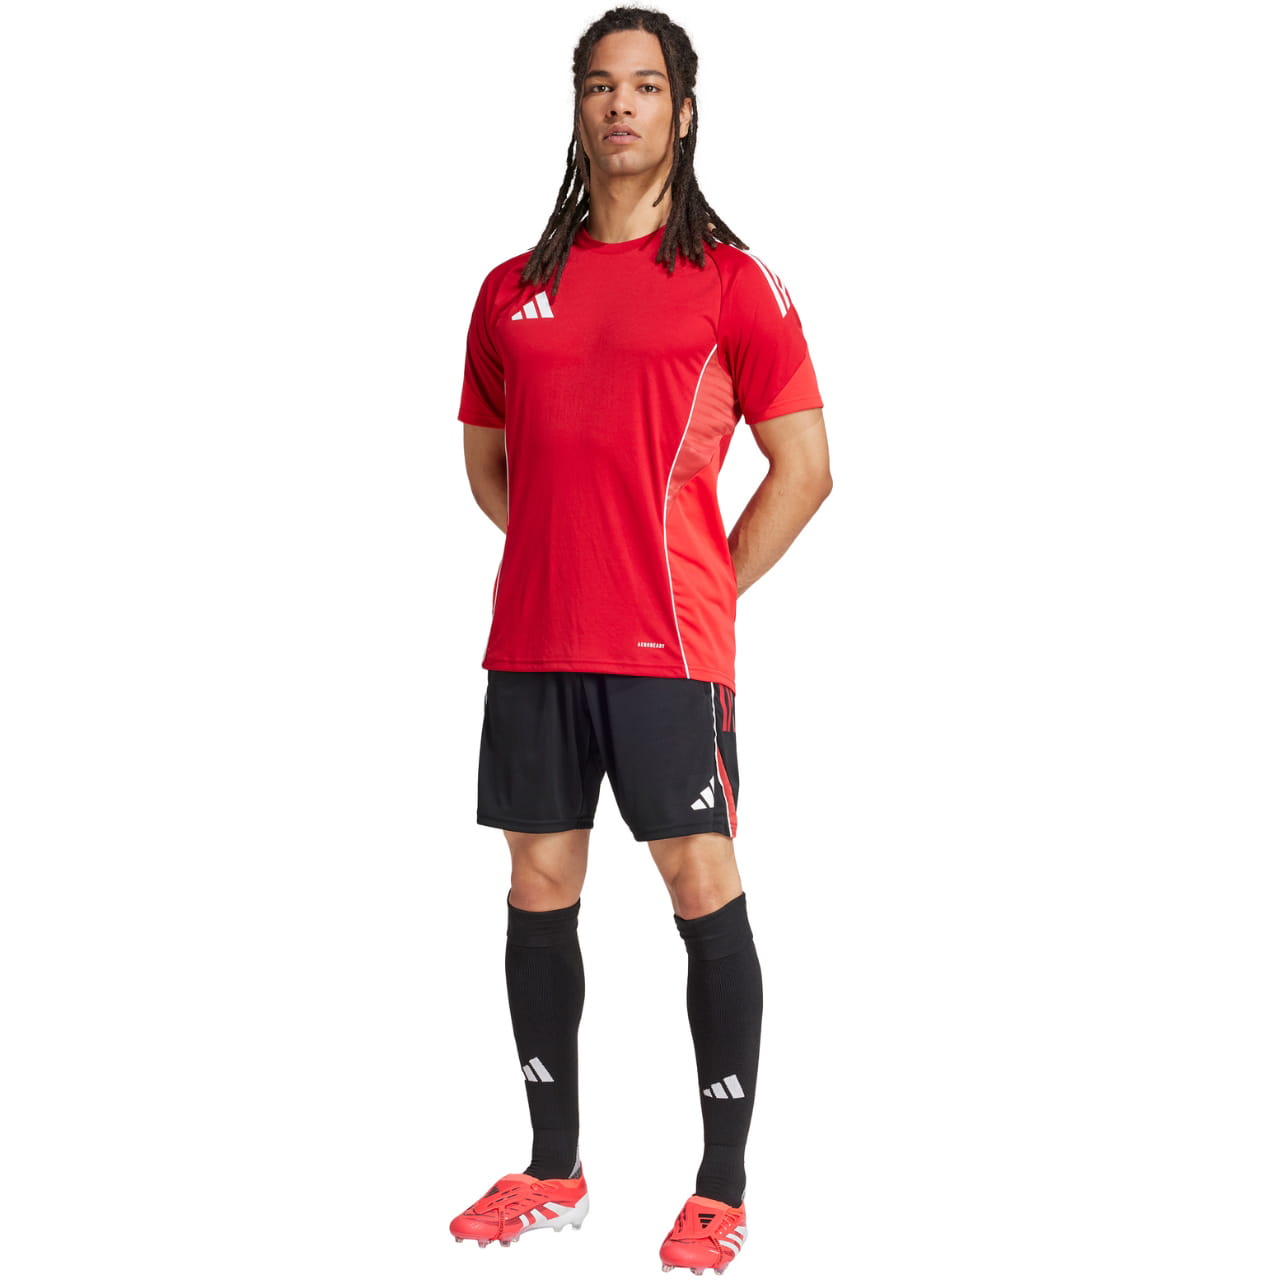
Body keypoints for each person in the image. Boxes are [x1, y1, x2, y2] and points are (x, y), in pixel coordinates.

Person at [448, 7, 831, 1273]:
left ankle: (720, 1186)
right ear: (576, 108)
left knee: (698, 882)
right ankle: (552, 1168)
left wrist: (703, 579)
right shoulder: (509, 290)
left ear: (683, 111)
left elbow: (804, 467)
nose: (620, 104)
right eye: (599, 85)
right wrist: (569, 549)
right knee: (536, 884)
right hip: (532, 644)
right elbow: (491, 469)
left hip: (667, 650)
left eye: (645, 85)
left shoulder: (732, 281)